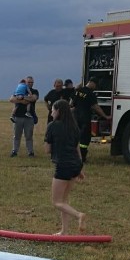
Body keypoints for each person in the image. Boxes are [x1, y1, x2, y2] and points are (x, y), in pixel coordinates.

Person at [43, 99, 86, 235]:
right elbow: (77, 148)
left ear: (58, 111)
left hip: (63, 166)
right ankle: (64, 231)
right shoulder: (74, 127)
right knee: (64, 201)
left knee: (56, 202)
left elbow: (47, 150)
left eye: (53, 110)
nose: (51, 112)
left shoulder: (52, 126)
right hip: (75, 166)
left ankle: (79, 215)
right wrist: (80, 169)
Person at [72, 78, 109, 163]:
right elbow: (95, 107)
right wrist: (105, 116)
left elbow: (72, 104)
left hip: (76, 118)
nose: (95, 87)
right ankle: (82, 158)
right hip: (85, 119)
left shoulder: (77, 91)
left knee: (76, 138)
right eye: (95, 85)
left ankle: (75, 156)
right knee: (84, 140)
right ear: (91, 82)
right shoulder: (90, 94)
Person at [9, 75, 38, 157]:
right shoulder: (19, 89)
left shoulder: (34, 91)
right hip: (18, 116)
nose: (30, 84)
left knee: (29, 135)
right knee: (16, 135)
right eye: (29, 82)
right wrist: (23, 101)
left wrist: (21, 98)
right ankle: (15, 151)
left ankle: (30, 152)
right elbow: (11, 99)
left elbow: (33, 98)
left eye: (32, 82)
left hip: (29, 117)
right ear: (25, 82)